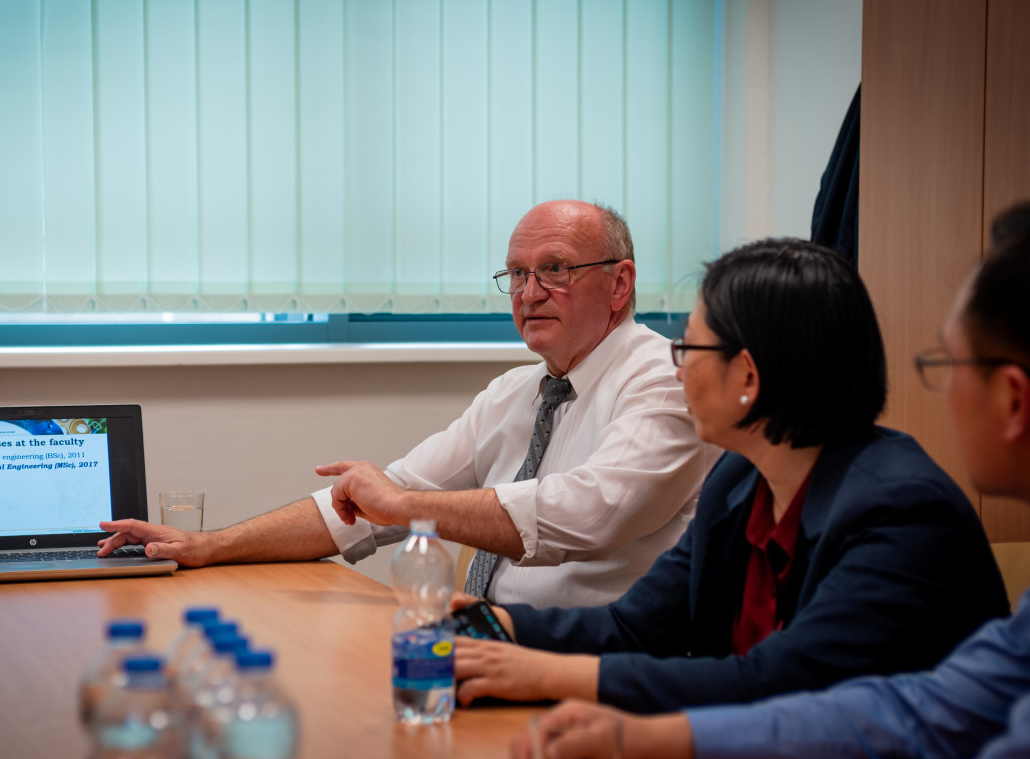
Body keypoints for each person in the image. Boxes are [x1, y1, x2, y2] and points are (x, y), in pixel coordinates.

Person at [511, 204, 1030, 759]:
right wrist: (498, 628)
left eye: (689, 349)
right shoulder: (740, 479)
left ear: (748, 376)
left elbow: (776, 683)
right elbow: (635, 626)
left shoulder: (904, 512)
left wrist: (542, 675)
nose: (677, 370)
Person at [97, 199, 719, 608]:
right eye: (516, 274)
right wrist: (209, 546)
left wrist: (403, 505)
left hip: (596, 668)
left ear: (620, 283)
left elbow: (592, 513)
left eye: (555, 270)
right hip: (487, 643)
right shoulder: (514, 391)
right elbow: (375, 502)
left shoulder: (665, 378)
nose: (529, 293)